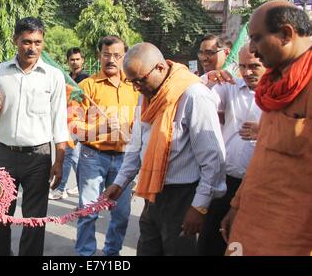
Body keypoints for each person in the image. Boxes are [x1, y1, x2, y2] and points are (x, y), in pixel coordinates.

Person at [104, 42, 226, 256]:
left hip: (184, 197)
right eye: (131, 82)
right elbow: (136, 147)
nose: (136, 88)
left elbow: (213, 160)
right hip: (153, 194)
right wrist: (119, 183)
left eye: (140, 80)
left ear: (160, 68)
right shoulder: (146, 96)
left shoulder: (194, 95)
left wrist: (199, 207)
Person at [221, 0, 312, 256]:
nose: (252, 49)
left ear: (286, 34)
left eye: (257, 38)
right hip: (249, 227)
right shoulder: (275, 85)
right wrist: (237, 207)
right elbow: (264, 158)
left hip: (292, 239)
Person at [0, 17, 68, 256]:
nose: (32, 47)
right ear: (15, 41)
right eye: (26, 42)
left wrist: (59, 161)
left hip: (39, 157)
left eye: (38, 42)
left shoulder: (53, 76)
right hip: (4, 155)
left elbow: (59, 121)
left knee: (34, 219)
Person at [71, 35, 139, 256]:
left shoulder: (135, 86)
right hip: (93, 156)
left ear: (124, 57)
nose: (111, 59)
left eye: (117, 55)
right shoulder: (86, 87)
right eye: (106, 55)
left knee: (121, 214)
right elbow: (74, 128)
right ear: (99, 56)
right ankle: (85, 255)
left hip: (126, 158)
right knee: (88, 212)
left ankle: (112, 253)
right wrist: (102, 129)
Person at [197, 44, 265, 256]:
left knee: (244, 244)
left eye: (254, 66)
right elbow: (200, 98)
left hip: (258, 186)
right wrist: (210, 78)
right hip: (225, 181)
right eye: (242, 66)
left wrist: (265, 132)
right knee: (211, 241)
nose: (247, 72)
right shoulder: (232, 86)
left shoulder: (282, 94)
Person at [48, 47, 89, 200]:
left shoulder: (86, 79)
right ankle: (83, 188)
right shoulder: (67, 78)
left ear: (82, 60)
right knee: (75, 158)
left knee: (68, 155)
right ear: (68, 61)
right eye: (72, 59)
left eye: (77, 59)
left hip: (78, 123)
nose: (75, 62)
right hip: (66, 120)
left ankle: (61, 188)